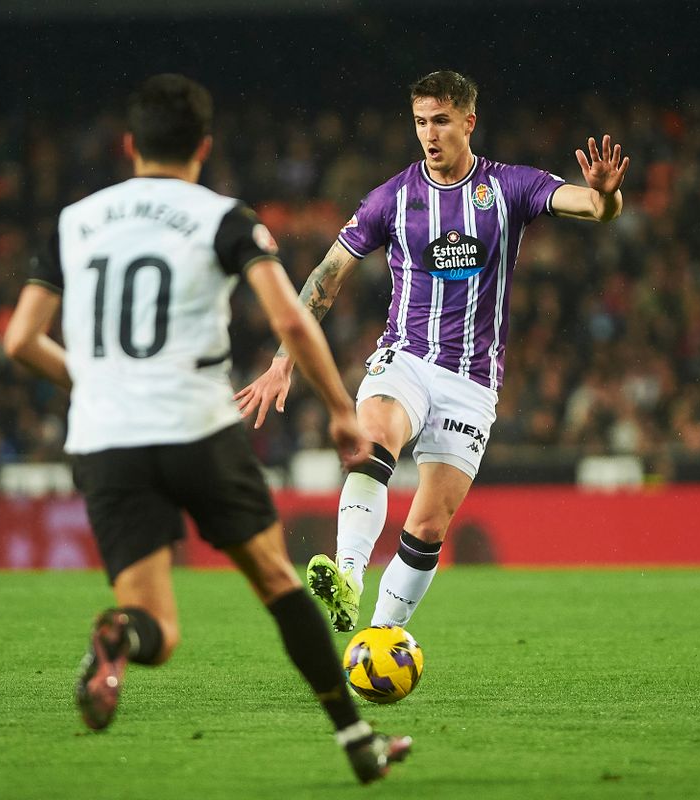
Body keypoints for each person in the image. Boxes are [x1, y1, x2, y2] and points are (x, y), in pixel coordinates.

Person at [2, 73, 410, 784]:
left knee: (156, 629)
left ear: (130, 145)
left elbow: (21, 341)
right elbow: (289, 317)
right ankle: (357, 742)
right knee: (278, 585)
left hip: (105, 440)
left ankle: (117, 635)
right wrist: (344, 412)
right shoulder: (222, 218)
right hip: (195, 427)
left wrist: (97, 381)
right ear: (204, 147)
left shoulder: (73, 221)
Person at [236, 70, 629, 632]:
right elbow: (326, 276)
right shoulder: (392, 199)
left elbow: (593, 208)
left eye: (441, 120)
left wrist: (606, 194)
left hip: (471, 380)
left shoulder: (510, 186)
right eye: (421, 121)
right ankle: (347, 576)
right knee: (372, 438)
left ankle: (381, 636)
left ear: (469, 122)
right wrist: (282, 360)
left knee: (428, 525)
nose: (429, 133)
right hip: (407, 357)